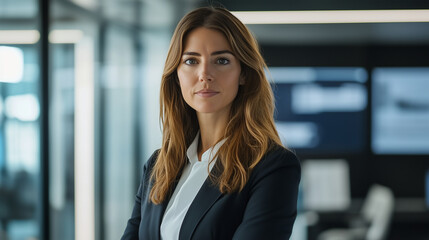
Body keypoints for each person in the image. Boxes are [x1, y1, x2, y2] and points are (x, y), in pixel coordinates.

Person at [121, 6, 301, 240]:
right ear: (176, 74)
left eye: (222, 60)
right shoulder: (158, 166)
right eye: (191, 61)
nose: (204, 74)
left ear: (244, 73)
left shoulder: (271, 168)